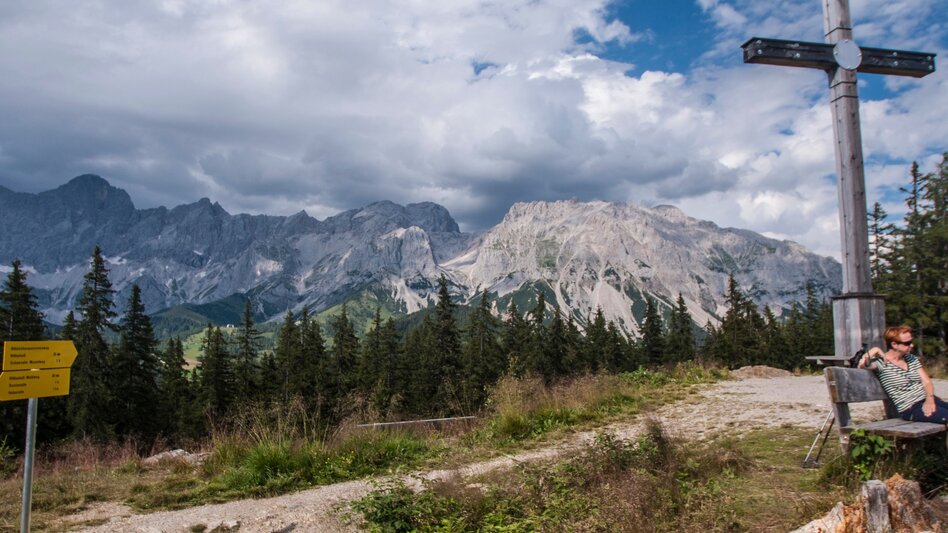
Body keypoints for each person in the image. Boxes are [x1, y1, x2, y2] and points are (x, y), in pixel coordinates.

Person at [857, 325, 948, 424]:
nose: (911, 345)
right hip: (911, 408)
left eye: (911, 341)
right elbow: (862, 365)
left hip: (928, 400)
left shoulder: (911, 358)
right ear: (894, 344)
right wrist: (875, 350)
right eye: (907, 343)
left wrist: (929, 400)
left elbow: (926, 382)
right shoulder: (882, 363)